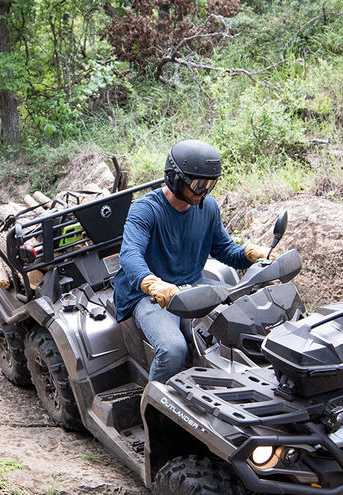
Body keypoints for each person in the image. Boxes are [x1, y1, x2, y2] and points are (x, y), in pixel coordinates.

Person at [114, 139, 272, 383]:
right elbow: (130, 254)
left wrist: (248, 255)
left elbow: (224, 249)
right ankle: (156, 406)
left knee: (250, 314)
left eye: (210, 183)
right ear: (175, 179)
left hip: (192, 283)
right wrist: (152, 283)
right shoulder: (145, 210)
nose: (204, 191)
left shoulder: (206, 206)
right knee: (173, 349)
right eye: (198, 184)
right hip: (150, 295)